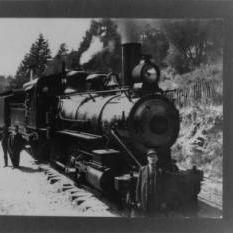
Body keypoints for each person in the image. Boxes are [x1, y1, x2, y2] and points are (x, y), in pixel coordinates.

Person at [136, 149, 162, 216]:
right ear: (147, 158)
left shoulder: (160, 171)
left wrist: (163, 202)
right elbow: (138, 186)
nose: (152, 158)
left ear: (157, 159)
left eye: (154, 156)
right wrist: (138, 201)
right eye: (150, 157)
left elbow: (163, 188)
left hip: (156, 200)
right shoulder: (142, 169)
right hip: (145, 199)